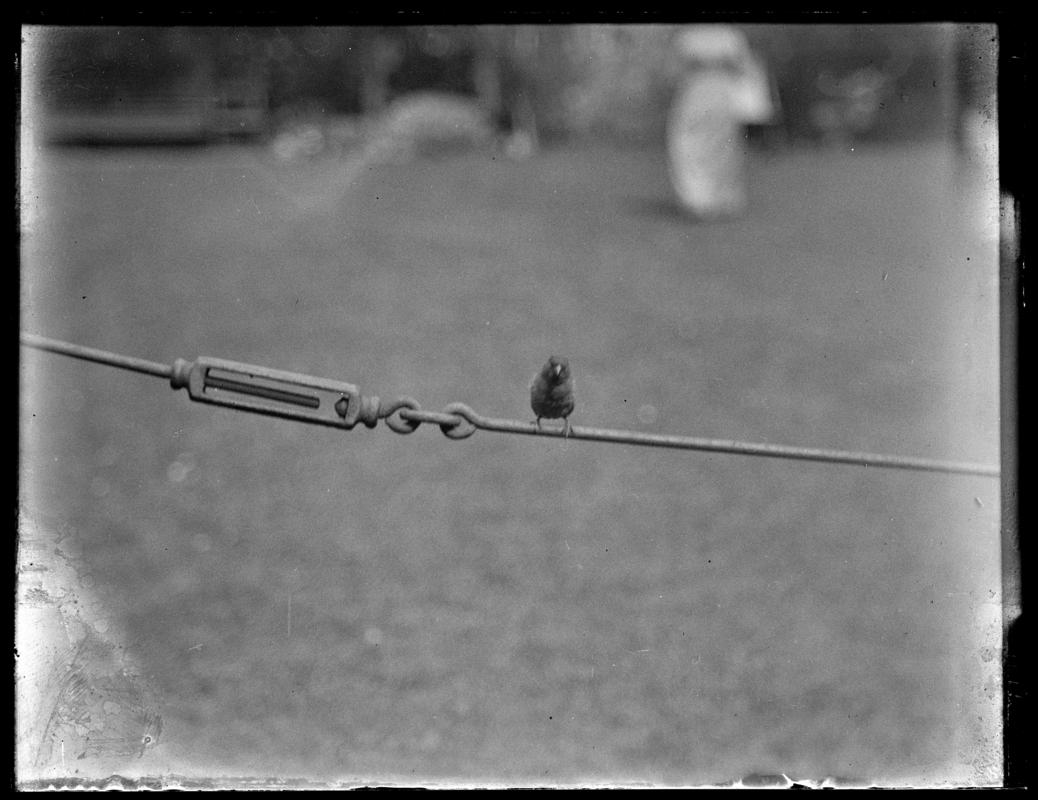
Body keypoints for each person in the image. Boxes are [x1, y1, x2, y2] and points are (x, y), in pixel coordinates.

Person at [666, 25, 774, 220]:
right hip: (704, 93)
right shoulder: (720, 35)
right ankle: (701, 198)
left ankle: (710, 198)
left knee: (717, 146)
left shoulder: (716, 35)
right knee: (696, 144)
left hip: (713, 95)